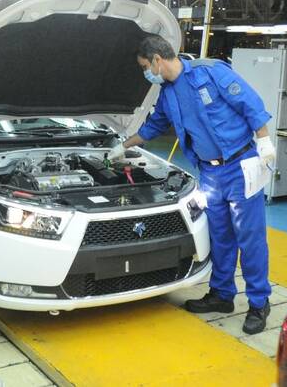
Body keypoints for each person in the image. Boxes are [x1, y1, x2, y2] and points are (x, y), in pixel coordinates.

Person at [109, 34, 276, 335]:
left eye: (145, 67)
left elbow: (250, 103)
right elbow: (154, 126)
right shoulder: (168, 94)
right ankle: (222, 295)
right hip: (210, 172)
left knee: (250, 238)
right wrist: (123, 146)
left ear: (157, 60)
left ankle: (258, 303)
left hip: (241, 166)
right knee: (220, 236)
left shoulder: (211, 72)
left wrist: (264, 141)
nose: (146, 73)